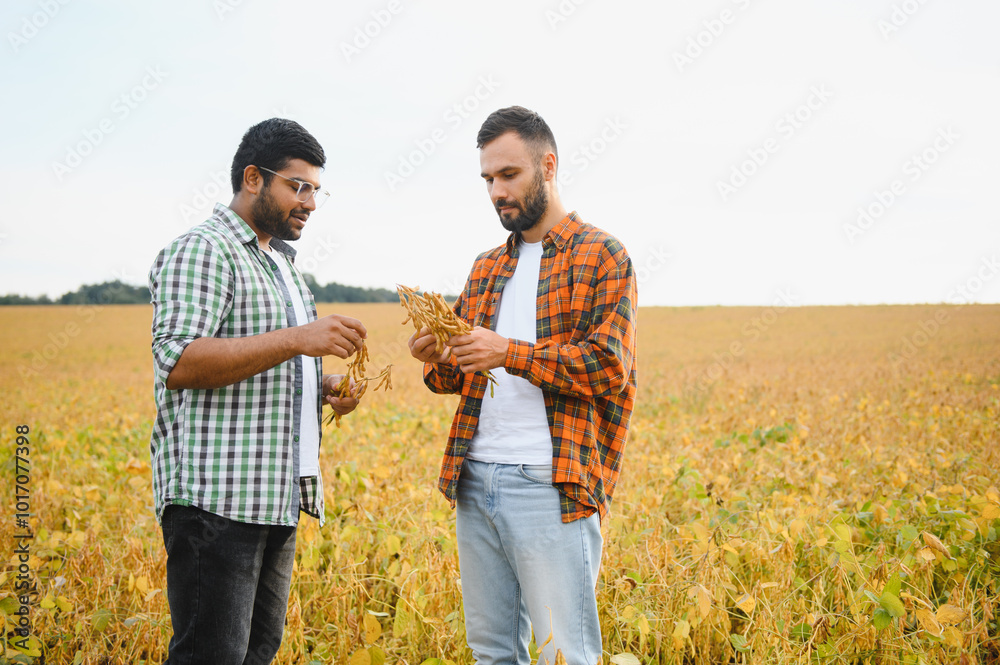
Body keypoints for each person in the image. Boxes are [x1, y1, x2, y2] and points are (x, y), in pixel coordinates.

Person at [408, 106, 637, 665]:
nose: (496, 192)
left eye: (508, 175)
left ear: (548, 166)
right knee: (491, 653)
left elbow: (609, 366)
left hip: (550, 482)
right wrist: (436, 355)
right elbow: (452, 377)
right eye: (488, 179)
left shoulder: (602, 255)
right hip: (474, 475)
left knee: (566, 655)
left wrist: (507, 352)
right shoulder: (486, 268)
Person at [148, 118, 367, 665]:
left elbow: (271, 362)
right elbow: (179, 359)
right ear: (253, 178)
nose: (311, 202)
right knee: (212, 655)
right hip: (217, 502)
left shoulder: (281, 266)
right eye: (298, 185)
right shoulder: (204, 249)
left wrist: (327, 385)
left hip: (274, 495)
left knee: (256, 653)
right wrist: (300, 338)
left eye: (316, 189)